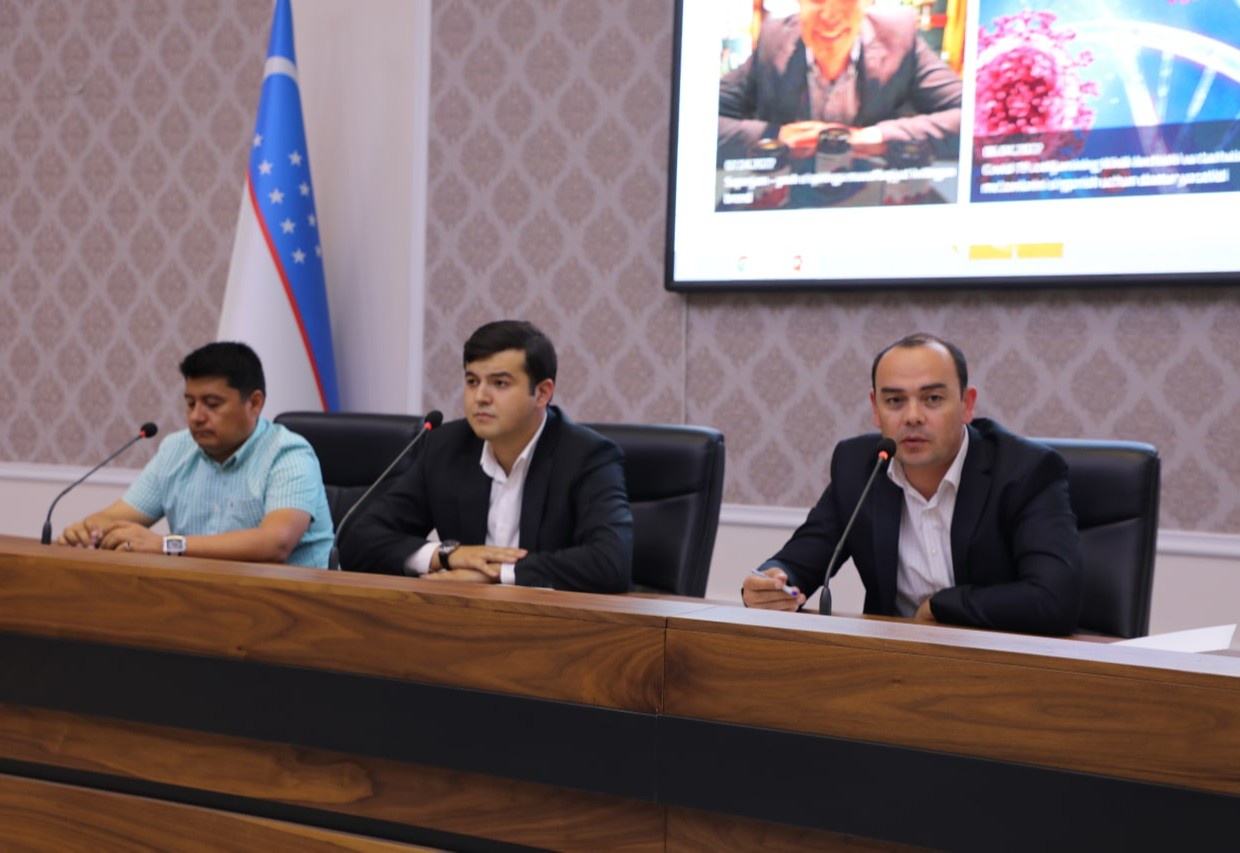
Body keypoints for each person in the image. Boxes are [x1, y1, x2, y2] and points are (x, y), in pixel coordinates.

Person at [743, 333, 1083, 635]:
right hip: (893, 668)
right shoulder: (860, 468)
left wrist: (940, 605)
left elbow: (1054, 601)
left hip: (1001, 667)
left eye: (932, 399)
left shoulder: (1025, 471)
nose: (913, 416)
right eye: (895, 401)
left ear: (967, 404)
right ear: (876, 409)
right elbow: (797, 563)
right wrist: (770, 583)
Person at [339, 320, 633, 592]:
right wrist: (449, 555)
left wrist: (497, 573)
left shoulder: (587, 456)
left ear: (543, 393)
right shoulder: (446, 447)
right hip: (461, 618)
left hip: (554, 623)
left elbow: (611, 561)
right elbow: (358, 539)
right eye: (472, 381)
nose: (480, 397)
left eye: (499, 383)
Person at [57, 341, 333, 568]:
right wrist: (89, 529)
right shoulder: (176, 449)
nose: (197, 416)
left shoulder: (288, 454)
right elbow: (119, 516)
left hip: (295, 605)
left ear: (254, 403)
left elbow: (277, 542)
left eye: (212, 404)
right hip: (202, 600)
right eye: (190, 404)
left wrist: (167, 545)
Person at [718, 0, 963, 164]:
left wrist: (877, 136)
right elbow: (703, 120)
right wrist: (776, 136)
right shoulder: (773, 38)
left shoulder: (899, 35)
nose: (829, 16)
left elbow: (968, 115)